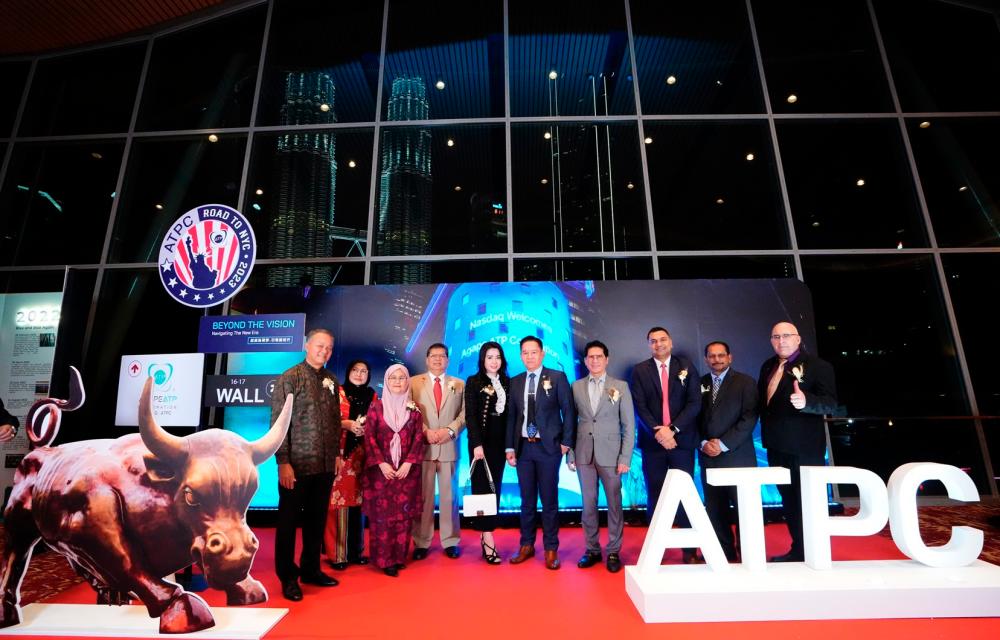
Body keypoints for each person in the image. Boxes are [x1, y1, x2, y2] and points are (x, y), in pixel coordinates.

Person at [272, 328, 343, 601]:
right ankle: (288, 577)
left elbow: (336, 422)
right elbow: (279, 424)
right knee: (288, 523)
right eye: (319, 346)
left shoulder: (331, 380)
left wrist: (336, 454)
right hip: (297, 466)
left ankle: (311, 569)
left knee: (316, 521)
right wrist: (283, 462)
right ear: (307, 346)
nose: (324, 351)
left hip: (325, 464)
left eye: (328, 348)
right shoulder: (290, 378)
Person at [758, 322, 838, 562]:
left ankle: (815, 551)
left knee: (807, 501)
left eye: (786, 336)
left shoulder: (818, 366)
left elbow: (831, 404)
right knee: (789, 501)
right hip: (776, 446)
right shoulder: (768, 366)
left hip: (804, 448)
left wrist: (808, 402)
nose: (781, 341)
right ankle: (799, 550)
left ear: (797, 339)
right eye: (776, 336)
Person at [630, 326, 702, 563]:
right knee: (655, 494)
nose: (658, 344)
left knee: (685, 494)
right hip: (654, 444)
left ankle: (690, 551)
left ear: (670, 342)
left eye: (662, 340)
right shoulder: (640, 370)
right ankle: (655, 550)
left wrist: (673, 430)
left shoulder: (687, 366)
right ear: (649, 345)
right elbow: (640, 406)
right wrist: (660, 433)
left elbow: (694, 403)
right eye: (653, 341)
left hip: (681, 442)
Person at [505, 336, 575, 570]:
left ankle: (550, 548)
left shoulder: (557, 377)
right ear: (521, 355)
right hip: (524, 448)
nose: (529, 356)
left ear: (542, 353)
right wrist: (510, 447)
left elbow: (569, 411)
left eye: (534, 352)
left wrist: (566, 443)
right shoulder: (515, 382)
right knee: (526, 501)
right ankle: (526, 544)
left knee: (549, 501)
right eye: (525, 352)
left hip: (549, 449)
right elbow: (512, 418)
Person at [567, 340, 635, 573]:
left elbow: (629, 425)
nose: (594, 361)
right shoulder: (576, 386)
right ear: (585, 361)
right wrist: (571, 454)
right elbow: (571, 424)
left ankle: (614, 550)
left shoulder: (621, 386)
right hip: (584, 454)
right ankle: (592, 549)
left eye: (599, 357)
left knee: (615, 504)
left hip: (612, 455)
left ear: (607, 359)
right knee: (588, 505)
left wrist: (625, 457)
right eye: (590, 357)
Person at [362, 364, 426, 577]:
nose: (398, 382)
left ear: (407, 381)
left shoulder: (415, 409)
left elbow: (419, 438)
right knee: (382, 516)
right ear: (386, 382)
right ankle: (383, 559)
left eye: (402, 378)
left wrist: (409, 462)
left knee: (403, 515)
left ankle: (398, 557)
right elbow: (369, 437)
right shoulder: (376, 408)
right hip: (382, 472)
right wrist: (381, 463)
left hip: (407, 472)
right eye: (393, 378)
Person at [698, 341, 759, 562]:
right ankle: (724, 553)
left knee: (744, 509)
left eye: (721, 355)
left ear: (730, 357)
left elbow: (749, 418)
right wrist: (703, 442)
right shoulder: (700, 384)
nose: (717, 359)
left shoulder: (746, 382)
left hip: (737, 456)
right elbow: (693, 417)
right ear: (706, 359)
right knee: (715, 509)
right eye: (712, 356)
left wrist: (722, 444)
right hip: (708, 457)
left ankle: (748, 554)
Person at [410, 343, 465, 560]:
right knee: (422, 498)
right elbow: (409, 410)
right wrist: (425, 431)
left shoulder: (459, 384)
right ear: (427, 359)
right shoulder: (414, 382)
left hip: (449, 446)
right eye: (434, 356)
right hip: (423, 447)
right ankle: (421, 542)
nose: (438, 359)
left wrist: (450, 431)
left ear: (448, 360)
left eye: (442, 356)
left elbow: (464, 413)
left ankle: (450, 540)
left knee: (449, 497)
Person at [324, 360, 376, 570]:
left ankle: (356, 552)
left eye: (364, 371)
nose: (359, 374)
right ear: (348, 371)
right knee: (338, 506)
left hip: (362, 458)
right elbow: (325, 420)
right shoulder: (337, 391)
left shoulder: (372, 395)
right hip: (340, 455)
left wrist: (367, 427)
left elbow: (377, 421)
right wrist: (346, 424)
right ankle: (337, 555)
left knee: (359, 506)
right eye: (355, 370)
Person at [464, 341, 511, 564]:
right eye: (490, 357)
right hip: (480, 445)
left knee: (494, 490)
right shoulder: (473, 382)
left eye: (498, 357)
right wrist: (476, 444)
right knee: (482, 490)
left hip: (500, 446)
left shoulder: (508, 382)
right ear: (482, 359)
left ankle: (486, 534)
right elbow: (470, 416)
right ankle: (488, 539)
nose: (494, 361)